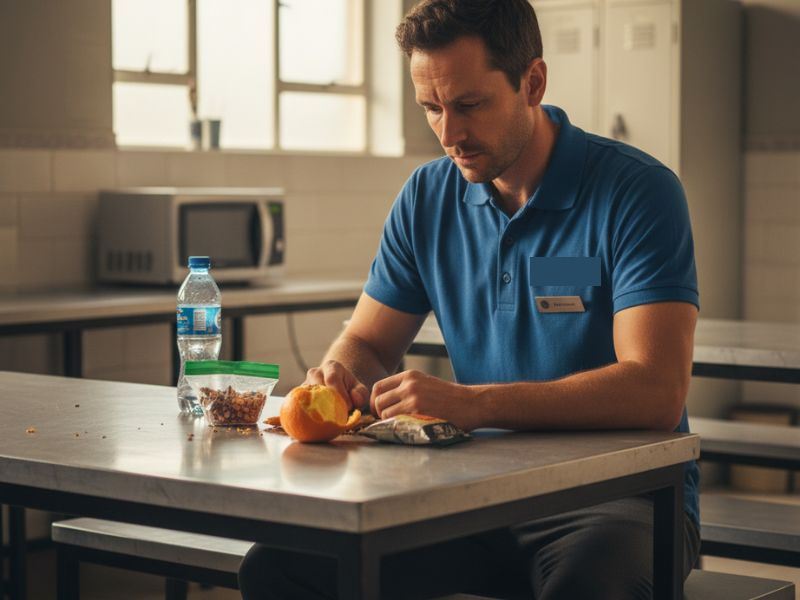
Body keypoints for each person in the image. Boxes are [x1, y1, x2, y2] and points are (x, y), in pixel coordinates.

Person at [239, 0, 701, 597]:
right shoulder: (427, 197)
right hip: (470, 495)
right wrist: (338, 377)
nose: (448, 134)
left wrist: (475, 404)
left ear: (532, 83)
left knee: (589, 587)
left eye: (469, 105)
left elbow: (656, 390)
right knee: (279, 567)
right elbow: (369, 341)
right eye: (430, 108)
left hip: (618, 502)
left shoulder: (639, 193)